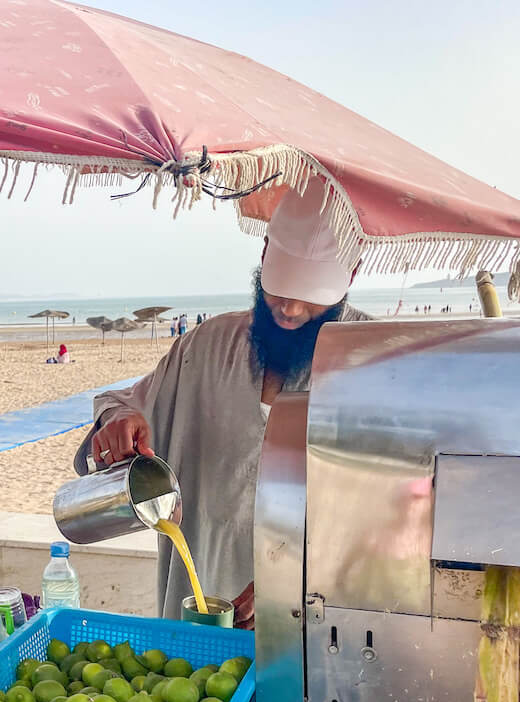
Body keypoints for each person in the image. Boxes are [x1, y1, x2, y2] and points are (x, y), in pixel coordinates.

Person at [76, 179, 371, 628]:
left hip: (319, 630)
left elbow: (394, 523)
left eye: (310, 297)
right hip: (196, 621)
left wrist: (302, 577)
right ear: (263, 253)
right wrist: (119, 421)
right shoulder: (207, 346)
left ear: (350, 278)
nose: (290, 309)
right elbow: (122, 405)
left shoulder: (375, 363)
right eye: (278, 289)